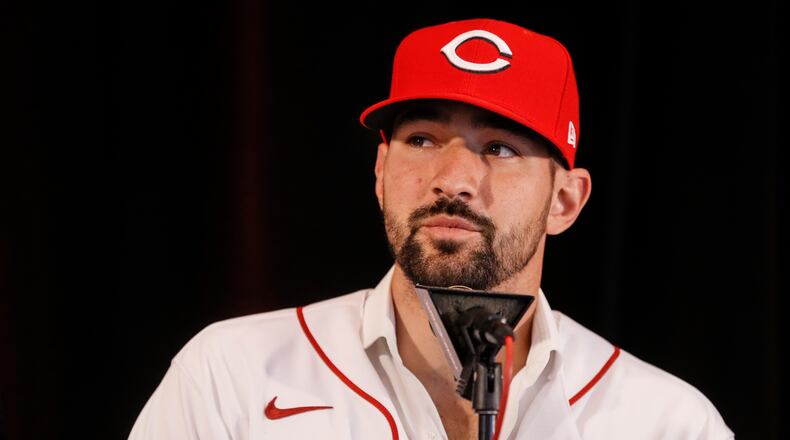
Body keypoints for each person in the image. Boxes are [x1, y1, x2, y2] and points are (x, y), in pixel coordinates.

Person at [129, 18, 733, 439]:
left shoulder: (668, 422)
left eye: (499, 148)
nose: (453, 179)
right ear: (381, 170)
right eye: (422, 139)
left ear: (565, 201)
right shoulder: (230, 375)